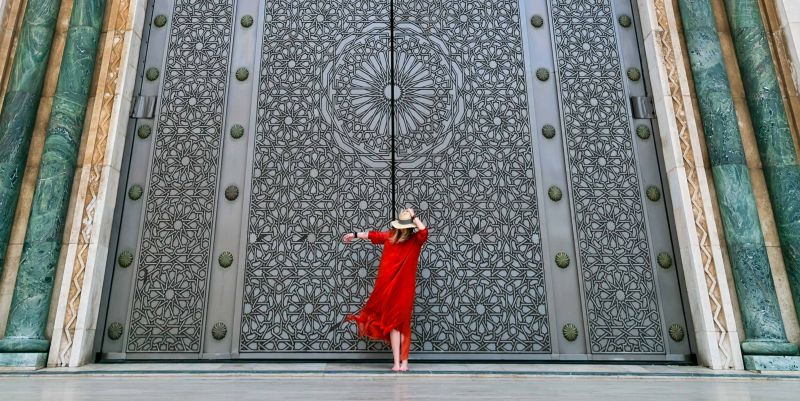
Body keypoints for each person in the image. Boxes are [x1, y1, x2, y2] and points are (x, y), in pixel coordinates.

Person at [342, 208, 428, 372]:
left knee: (400, 325)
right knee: (397, 325)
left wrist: (354, 234)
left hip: (401, 289)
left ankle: (402, 362)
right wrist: (354, 234)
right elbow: (372, 235)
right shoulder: (396, 238)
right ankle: (399, 363)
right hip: (393, 289)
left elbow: (424, 231)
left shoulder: (411, 239)